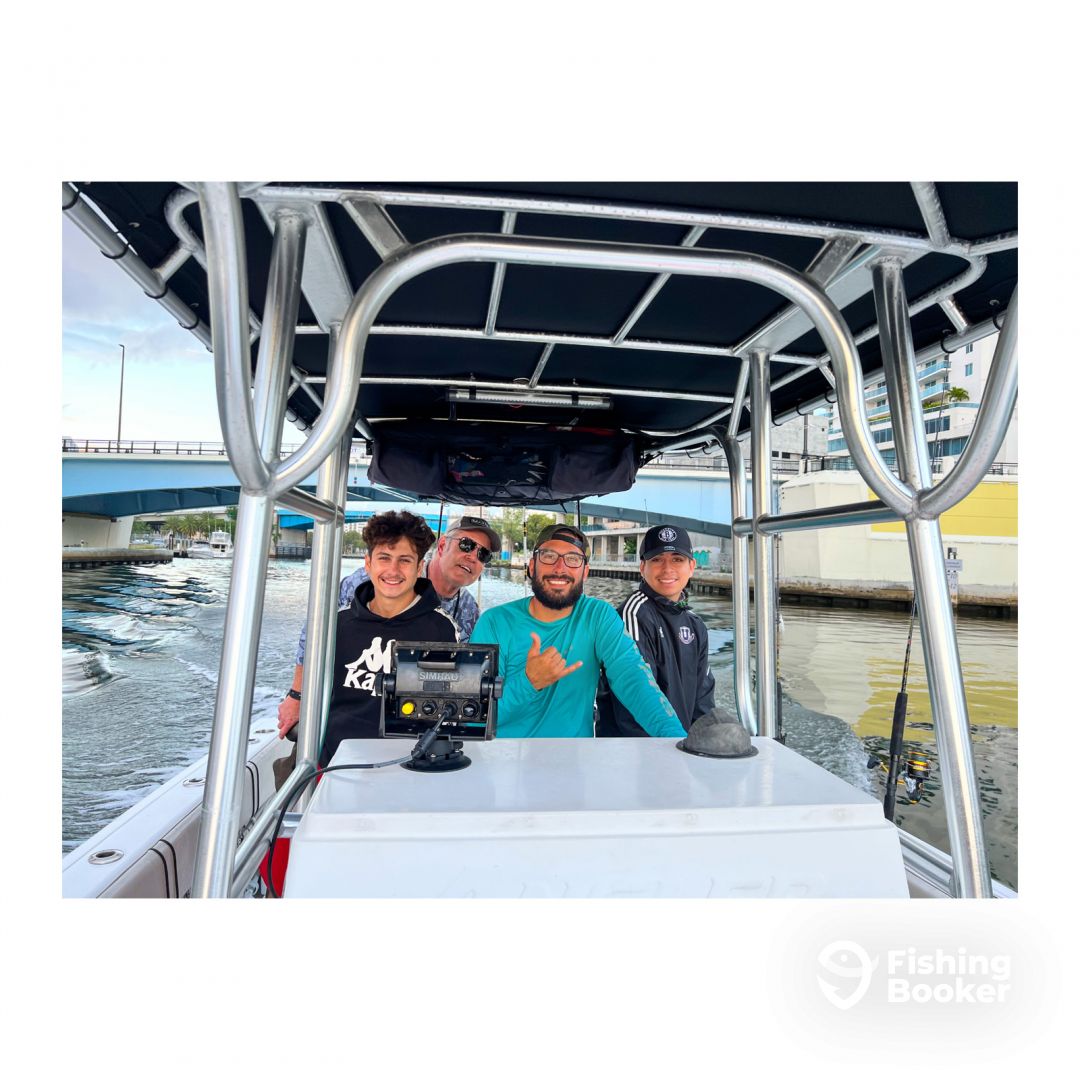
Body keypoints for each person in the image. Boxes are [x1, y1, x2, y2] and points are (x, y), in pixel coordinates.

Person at [277, 514, 499, 741]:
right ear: (442, 546)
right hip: (345, 721)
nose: (472, 556)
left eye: (483, 554)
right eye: (466, 545)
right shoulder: (370, 581)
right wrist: (297, 694)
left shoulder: (467, 611)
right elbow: (316, 629)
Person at [469, 523, 685, 738]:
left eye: (573, 559)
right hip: (505, 755)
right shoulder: (494, 622)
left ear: (585, 572)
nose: (560, 568)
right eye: (549, 556)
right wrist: (528, 682)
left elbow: (633, 679)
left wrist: (675, 738)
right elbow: (473, 717)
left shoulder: (598, 616)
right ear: (532, 567)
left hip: (575, 756)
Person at [316, 510, 459, 767]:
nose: (393, 570)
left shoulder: (441, 629)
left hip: (410, 762)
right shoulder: (339, 624)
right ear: (368, 563)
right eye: (384, 558)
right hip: (338, 761)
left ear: (419, 567)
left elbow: (446, 708)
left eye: (404, 560)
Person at [595, 524, 715, 737]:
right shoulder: (633, 614)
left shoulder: (696, 625)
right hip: (635, 749)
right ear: (642, 567)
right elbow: (635, 700)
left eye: (677, 559)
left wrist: (702, 744)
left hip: (677, 745)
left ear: (691, 566)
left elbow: (703, 703)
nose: (667, 569)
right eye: (657, 559)